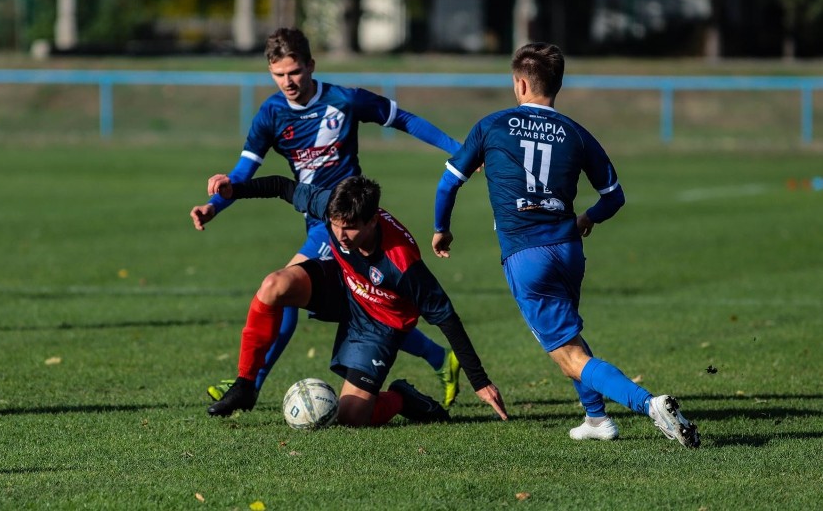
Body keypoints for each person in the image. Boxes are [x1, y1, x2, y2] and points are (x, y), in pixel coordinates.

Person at [430, 42, 701, 448]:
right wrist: (588, 217)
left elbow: (449, 183)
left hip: (526, 256)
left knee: (569, 355)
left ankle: (649, 405)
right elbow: (614, 196)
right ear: (556, 84)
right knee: (569, 341)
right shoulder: (576, 132)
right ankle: (596, 419)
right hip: (569, 250)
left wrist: (441, 228)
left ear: (520, 83)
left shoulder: (492, 125)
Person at [190, 27, 462, 409]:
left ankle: (248, 385)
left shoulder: (343, 100)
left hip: (342, 223)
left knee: (280, 289)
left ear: (311, 65)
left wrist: (459, 151)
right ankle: (438, 358)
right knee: (354, 305)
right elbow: (243, 171)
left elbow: (404, 119)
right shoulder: (271, 113)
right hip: (313, 219)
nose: (289, 82)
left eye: (295, 72)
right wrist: (213, 206)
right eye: (279, 74)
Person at [205, 174, 508, 426]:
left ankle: (403, 398)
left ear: (373, 221)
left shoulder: (401, 264)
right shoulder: (333, 208)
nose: (340, 234)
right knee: (275, 284)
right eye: (336, 224)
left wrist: (480, 381)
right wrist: (235, 190)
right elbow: (284, 187)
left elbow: (446, 317)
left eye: (349, 227)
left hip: (379, 321)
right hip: (342, 283)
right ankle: (245, 384)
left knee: (350, 417)